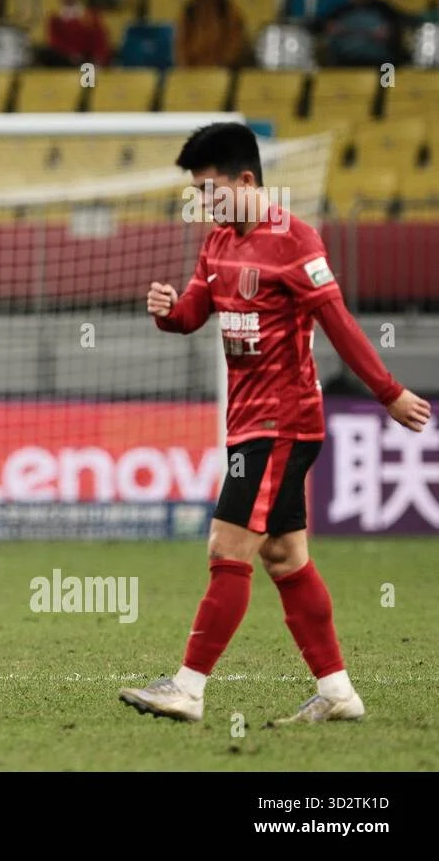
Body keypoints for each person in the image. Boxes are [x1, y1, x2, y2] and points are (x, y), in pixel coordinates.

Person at [120, 123, 432, 724]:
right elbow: (193, 314)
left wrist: (388, 393)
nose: (204, 204)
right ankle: (338, 692)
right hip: (248, 421)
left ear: (245, 180)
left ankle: (188, 687)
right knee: (285, 556)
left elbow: (337, 321)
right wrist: (167, 313)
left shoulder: (294, 239)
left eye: (210, 191)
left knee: (225, 545)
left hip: (283, 421)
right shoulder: (216, 243)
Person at [315, 0, 413, 67]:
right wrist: (328, 28)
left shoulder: (383, 8)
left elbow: (404, 22)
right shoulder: (339, 10)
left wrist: (390, 32)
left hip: (381, 61)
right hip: (345, 62)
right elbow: (319, 26)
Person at [175, 0, 248, 68]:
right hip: (193, 71)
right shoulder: (191, 9)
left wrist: (221, 66)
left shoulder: (228, 10)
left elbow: (234, 46)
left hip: (220, 72)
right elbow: (181, 44)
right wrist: (186, 68)